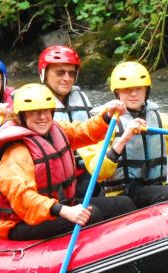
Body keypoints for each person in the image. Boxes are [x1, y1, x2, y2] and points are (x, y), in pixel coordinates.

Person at [0, 83, 137, 241]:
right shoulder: (15, 151)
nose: (43, 117)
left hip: (61, 207)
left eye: (46, 111)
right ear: (22, 116)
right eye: (34, 113)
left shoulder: (55, 129)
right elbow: (23, 198)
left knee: (124, 204)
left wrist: (107, 116)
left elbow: (84, 131)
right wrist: (63, 210)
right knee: (92, 215)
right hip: (23, 222)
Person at [80, 61, 168, 209]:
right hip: (122, 194)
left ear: (146, 90)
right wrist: (123, 140)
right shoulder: (102, 123)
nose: (133, 94)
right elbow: (97, 171)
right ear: (117, 92)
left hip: (155, 188)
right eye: (127, 89)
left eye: (138, 88)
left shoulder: (160, 120)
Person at [37, 45, 102, 199]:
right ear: (44, 74)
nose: (67, 78)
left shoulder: (81, 98)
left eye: (71, 73)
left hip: (85, 170)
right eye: (60, 72)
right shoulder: (33, 103)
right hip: (55, 180)